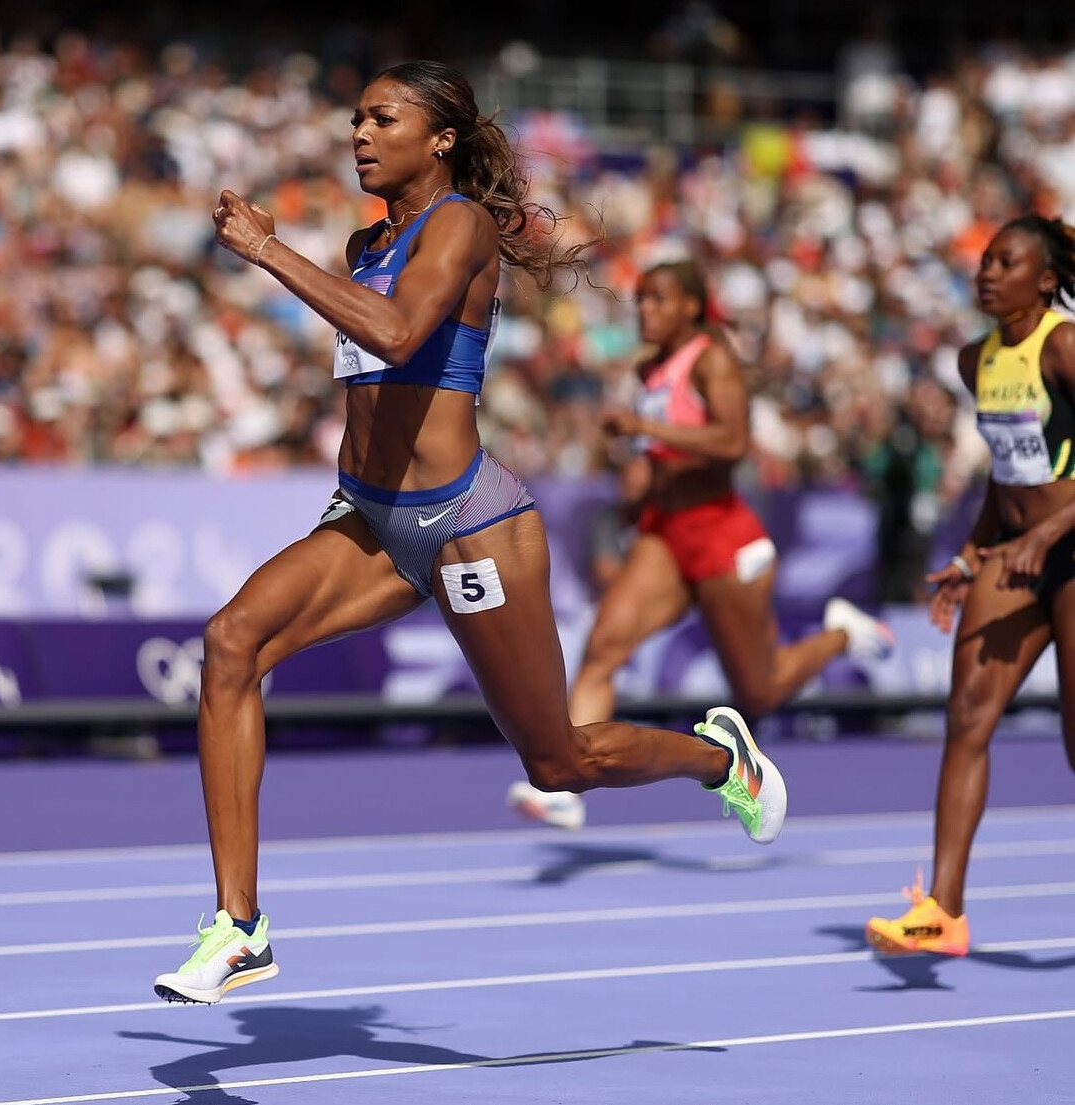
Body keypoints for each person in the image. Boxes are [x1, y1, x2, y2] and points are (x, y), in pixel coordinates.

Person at [152, 60, 788, 1006]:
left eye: (383, 119)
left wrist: (269, 251)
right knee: (230, 642)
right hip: (370, 521)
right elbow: (372, 374)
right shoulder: (366, 240)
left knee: (557, 760)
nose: (360, 134)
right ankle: (238, 927)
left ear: (440, 138)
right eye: (356, 118)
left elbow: (399, 334)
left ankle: (720, 759)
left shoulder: (460, 224)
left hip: (468, 523)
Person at [506, 258, 894, 832]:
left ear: (692, 306)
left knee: (758, 692)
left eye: (659, 299)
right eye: (641, 299)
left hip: (720, 533)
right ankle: (568, 788)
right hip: (665, 533)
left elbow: (733, 442)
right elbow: (662, 456)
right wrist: (640, 477)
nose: (645, 310)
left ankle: (843, 633)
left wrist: (648, 431)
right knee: (603, 649)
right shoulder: (649, 371)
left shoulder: (712, 359)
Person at [866, 213, 1075, 956]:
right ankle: (943, 911)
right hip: (1012, 558)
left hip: (1070, 554)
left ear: (1045, 280)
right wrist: (968, 554)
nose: (987, 272)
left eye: (1006, 261)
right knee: (966, 718)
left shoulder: (1064, 347)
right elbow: (1008, 471)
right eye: (984, 260)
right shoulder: (973, 360)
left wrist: (1048, 533)